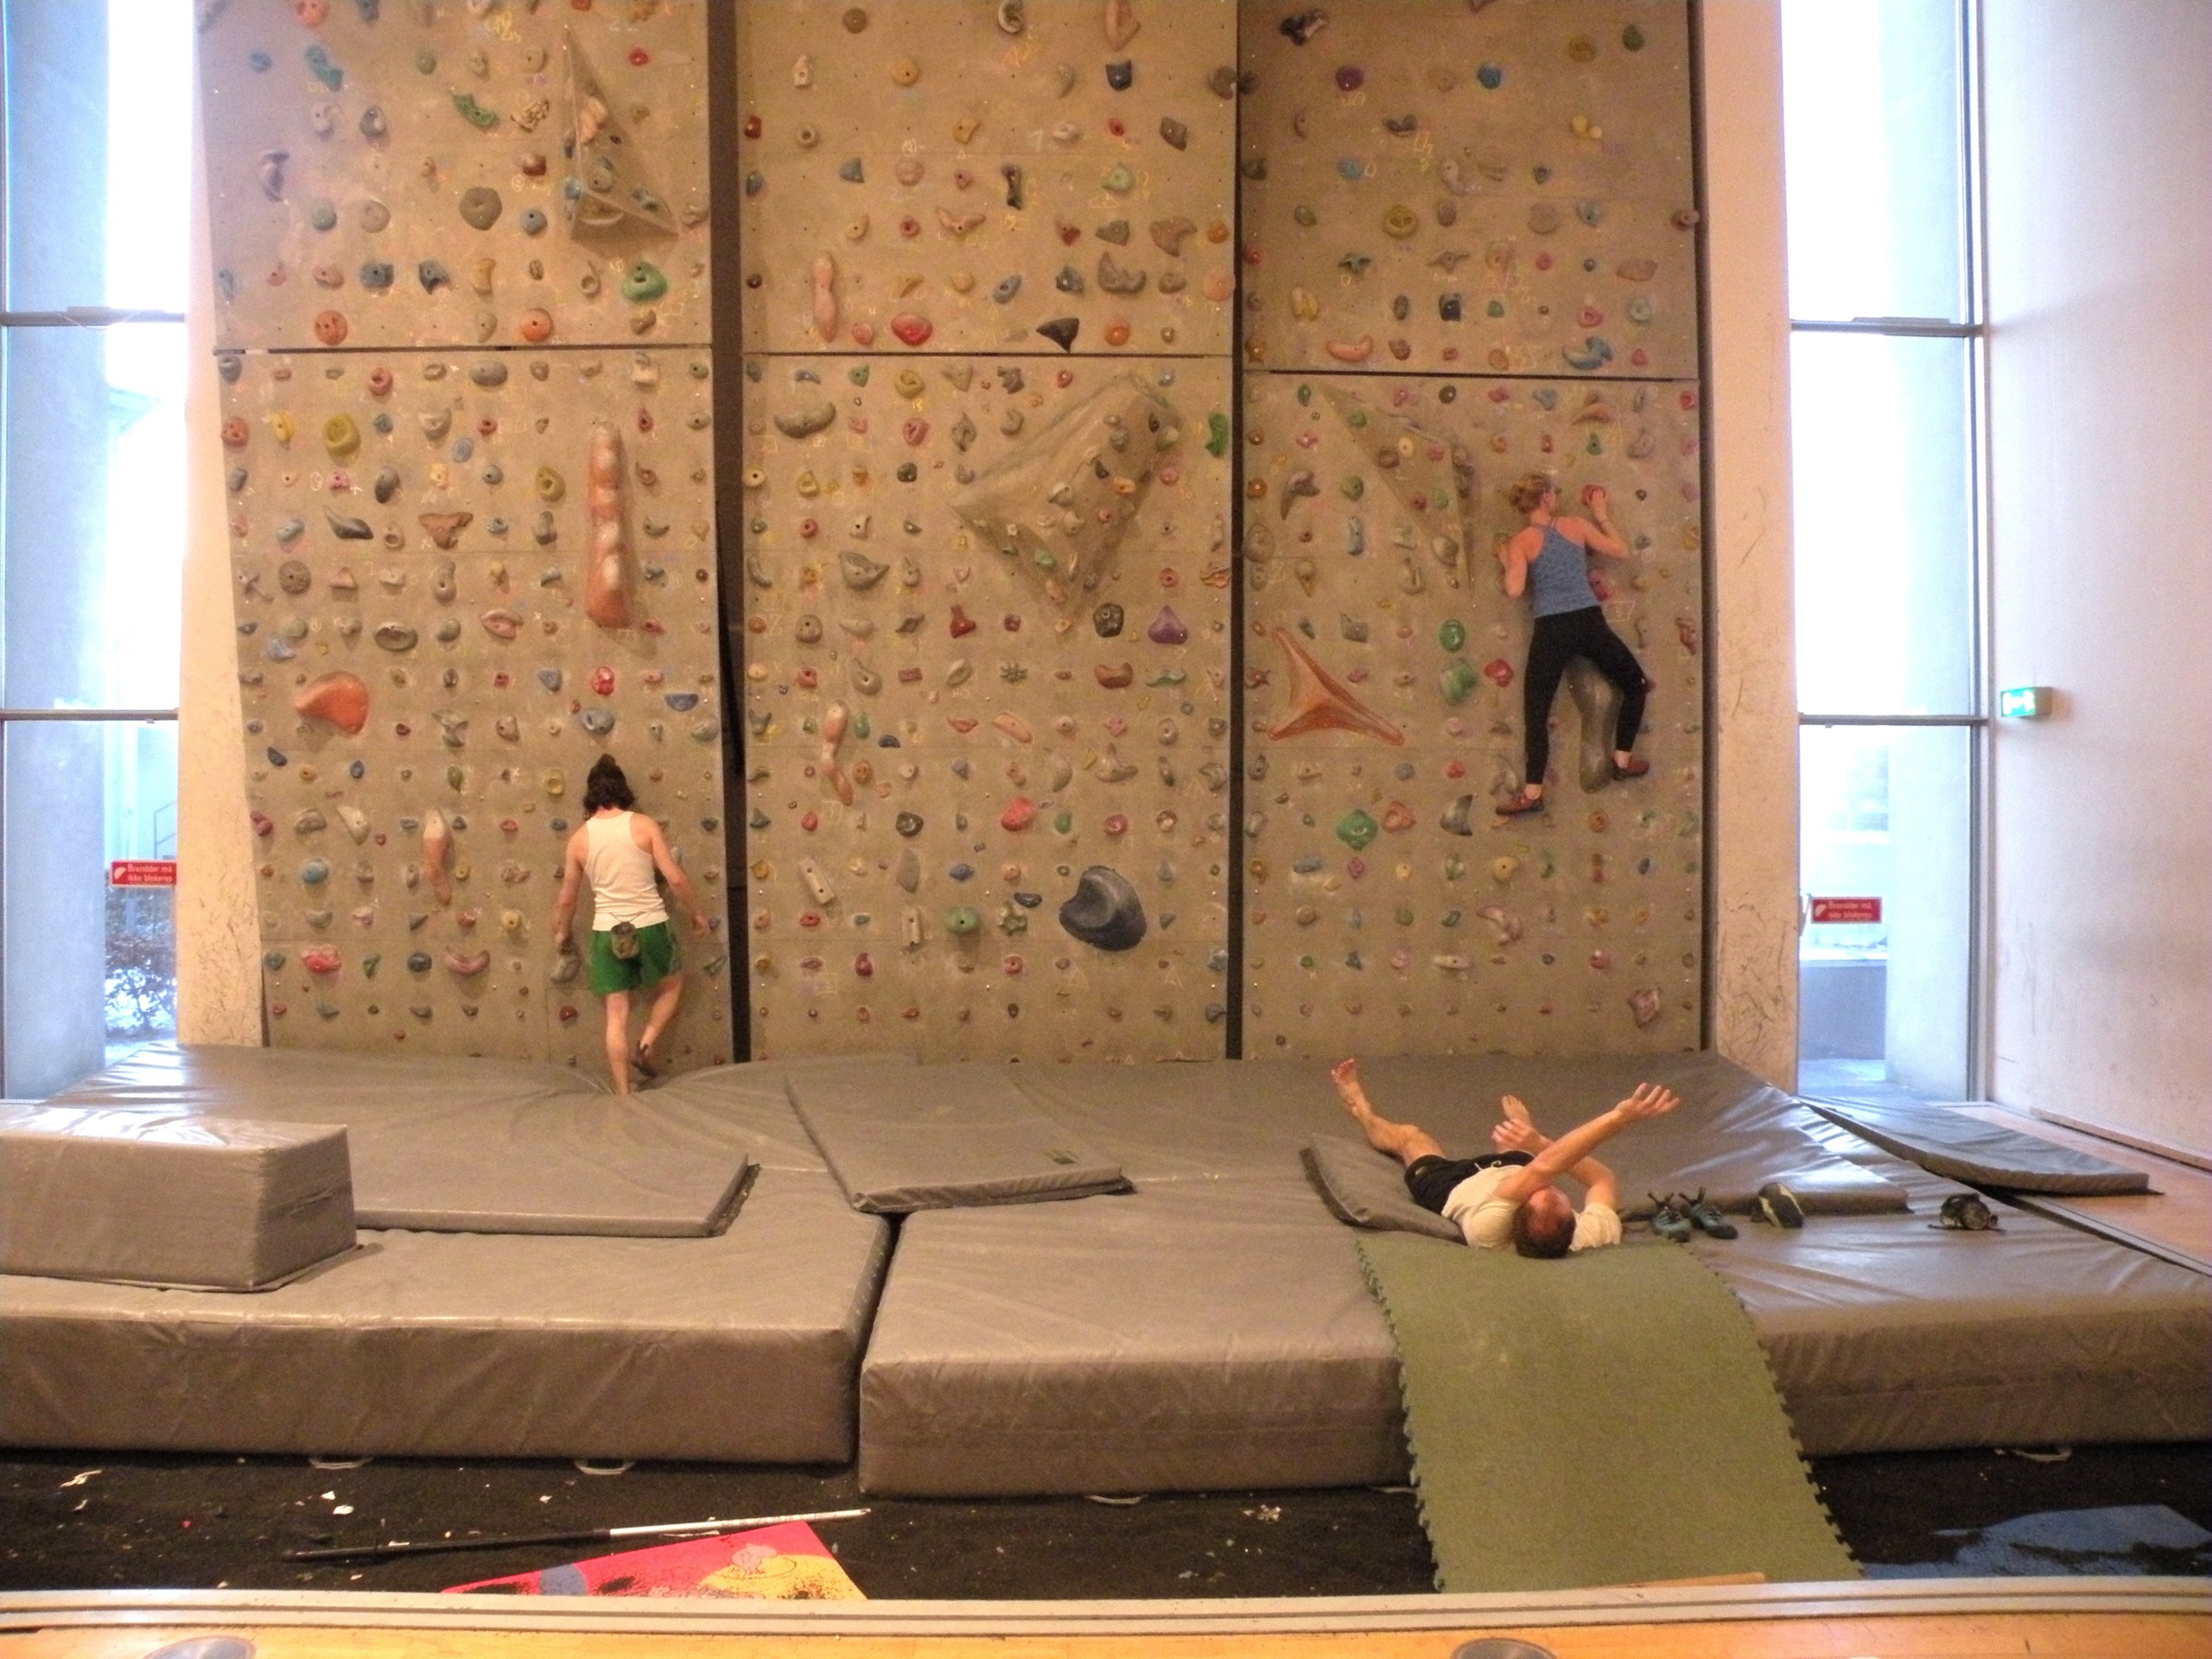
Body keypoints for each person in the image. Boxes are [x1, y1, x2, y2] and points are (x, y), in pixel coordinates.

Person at [1332, 1058, 1681, 1256]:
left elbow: (1544, 1169)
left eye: (1540, 1191)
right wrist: (1536, 1141)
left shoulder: (1491, 1230)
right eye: (1557, 1193)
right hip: (1510, 1173)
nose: (1548, 1186)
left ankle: (1362, 1110)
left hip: (1453, 1189)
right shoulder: (1590, 1235)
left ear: (1519, 1210)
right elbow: (1601, 1179)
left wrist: (1618, 1119)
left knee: (1411, 1137)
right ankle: (1519, 1139)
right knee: (1522, 1155)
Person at [1496, 472, 1653, 817]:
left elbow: (1514, 590)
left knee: (1536, 712)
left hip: (1551, 629)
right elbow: (1621, 550)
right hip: (1587, 622)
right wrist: (1601, 515)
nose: (1556, 497)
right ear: (1546, 497)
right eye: (1553, 492)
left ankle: (1533, 793)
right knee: (1635, 684)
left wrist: (1508, 562)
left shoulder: (1521, 541)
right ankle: (1622, 759)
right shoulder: (1576, 525)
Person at [552, 754, 709, 1095]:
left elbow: (567, 898)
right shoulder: (643, 825)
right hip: (651, 924)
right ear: (623, 791)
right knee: (672, 985)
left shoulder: (579, 839)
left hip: (608, 931)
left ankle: (623, 1092)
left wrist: (562, 931)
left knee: (616, 1013)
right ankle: (647, 1044)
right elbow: (675, 878)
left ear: (590, 795)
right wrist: (697, 913)